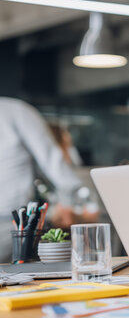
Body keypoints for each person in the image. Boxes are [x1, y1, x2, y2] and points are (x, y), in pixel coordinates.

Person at [0, 97, 82, 262]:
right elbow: (55, 166)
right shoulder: (16, 111)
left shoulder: (15, 111)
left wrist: (66, 204)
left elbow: (57, 168)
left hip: (13, 226)